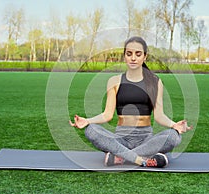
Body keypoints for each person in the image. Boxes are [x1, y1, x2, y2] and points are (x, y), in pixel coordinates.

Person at [69, 36, 192, 168]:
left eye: (138, 54)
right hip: (121, 139)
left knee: (174, 136)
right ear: (124, 56)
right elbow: (107, 115)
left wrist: (174, 125)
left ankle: (120, 157)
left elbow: (159, 115)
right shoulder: (114, 81)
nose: (133, 58)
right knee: (91, 130)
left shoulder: (155, 82)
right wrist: (88, 121)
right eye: (129, 54)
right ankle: (145, 159)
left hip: (147, 139)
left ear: (145, 57)